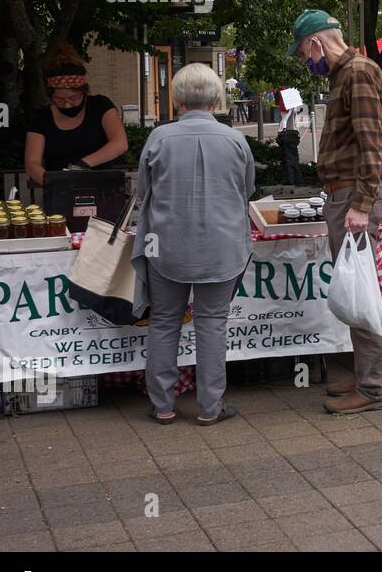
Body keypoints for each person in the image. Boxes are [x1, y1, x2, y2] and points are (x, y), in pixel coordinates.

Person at [132, 64, 254, 425]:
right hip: (221, 247)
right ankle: (210, 407)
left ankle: (163, 405)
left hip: (165, 245)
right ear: (216, 98)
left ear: (178, 97)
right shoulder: (236, 140)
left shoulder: (159, 138)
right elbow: (245, 193)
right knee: (213, 323)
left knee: (164, 322)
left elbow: (143, 192)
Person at [288, 9, 382, 413]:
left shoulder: (357, 73)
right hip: (348, 194)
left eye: (303, 53)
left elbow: (373, 147)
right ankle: (370, 374)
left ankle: (374, 387)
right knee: (355, 287)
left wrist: (362, 205)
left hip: (352, 195)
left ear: (315, 42)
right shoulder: (349, 74)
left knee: (360, 289)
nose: (306, 61)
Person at [24, 43, 129, 186]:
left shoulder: (100, 106)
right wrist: (52, 183)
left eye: (73, 98)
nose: (67, 105)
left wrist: (81, 165)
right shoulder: (41, 118)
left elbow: (120, 143)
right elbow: (32, 162)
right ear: (50, 96)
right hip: (59, 190)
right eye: (60, 100)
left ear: (83, 92)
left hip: (101, 188)